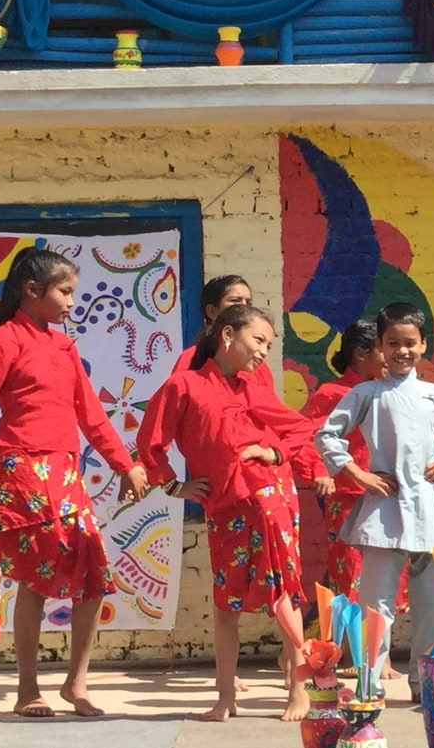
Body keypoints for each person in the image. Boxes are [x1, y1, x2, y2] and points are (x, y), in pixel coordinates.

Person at [0, 247, 149, 718]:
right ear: (32, 291)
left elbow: (90, 414)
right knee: (35, 579)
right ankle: (27, 688)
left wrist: (124, 463)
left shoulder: (63, 345)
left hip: (64, 470)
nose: (73, 302)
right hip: (21, 471)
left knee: (93, 573)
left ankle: (76, 682)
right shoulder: (5, 342)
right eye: (65, 291)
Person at [137, 303, 317, 721]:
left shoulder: (253, 387)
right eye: (258, 341)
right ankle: (224, 698)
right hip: (224, 505)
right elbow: (151, 442)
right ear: (227, 336)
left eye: (269, 346)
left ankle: (298, 690)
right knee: (226, 601)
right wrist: (174, 485)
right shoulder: (183, 386)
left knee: (282, 592)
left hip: (270, 497)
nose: (262, 353)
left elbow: (300, 428)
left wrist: (272, 452)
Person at [314, 302, 434, 704]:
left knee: (433, 605)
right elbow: (327, 435)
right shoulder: (367, 393)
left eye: (410, 343)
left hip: (431, 511)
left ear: (424, 346)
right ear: (380, 348)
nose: (402, 351)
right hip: (384, 511)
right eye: (393, 343)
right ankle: (370, 680)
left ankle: (426, 683)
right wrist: (359, 474)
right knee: (376, 605)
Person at [300, 319, 407, 680]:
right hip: (347, 497)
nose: (392, 355)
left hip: (388, 496)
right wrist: (320, 472)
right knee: (351, 576)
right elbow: (307, 437)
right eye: (384, 348)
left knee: (388, 575)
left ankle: (380, 654)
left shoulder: (388, 390)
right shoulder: (332, 393)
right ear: (362, 354)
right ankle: (352, 651)